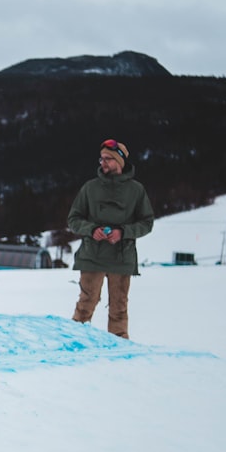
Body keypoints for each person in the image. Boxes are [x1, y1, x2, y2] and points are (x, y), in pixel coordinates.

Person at [67, 139, 155, 339]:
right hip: (91, 255)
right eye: (102, 158)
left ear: (120, 162)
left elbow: (147, 223)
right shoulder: (90, 188)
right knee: (85, 305)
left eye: (108, 159)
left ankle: (119, 351)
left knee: (119, 308)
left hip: (121, 257)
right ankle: (74, 345)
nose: (103, 163)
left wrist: (123, 232)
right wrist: (91, 230)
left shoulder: (136, 190)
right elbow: (73, 219)